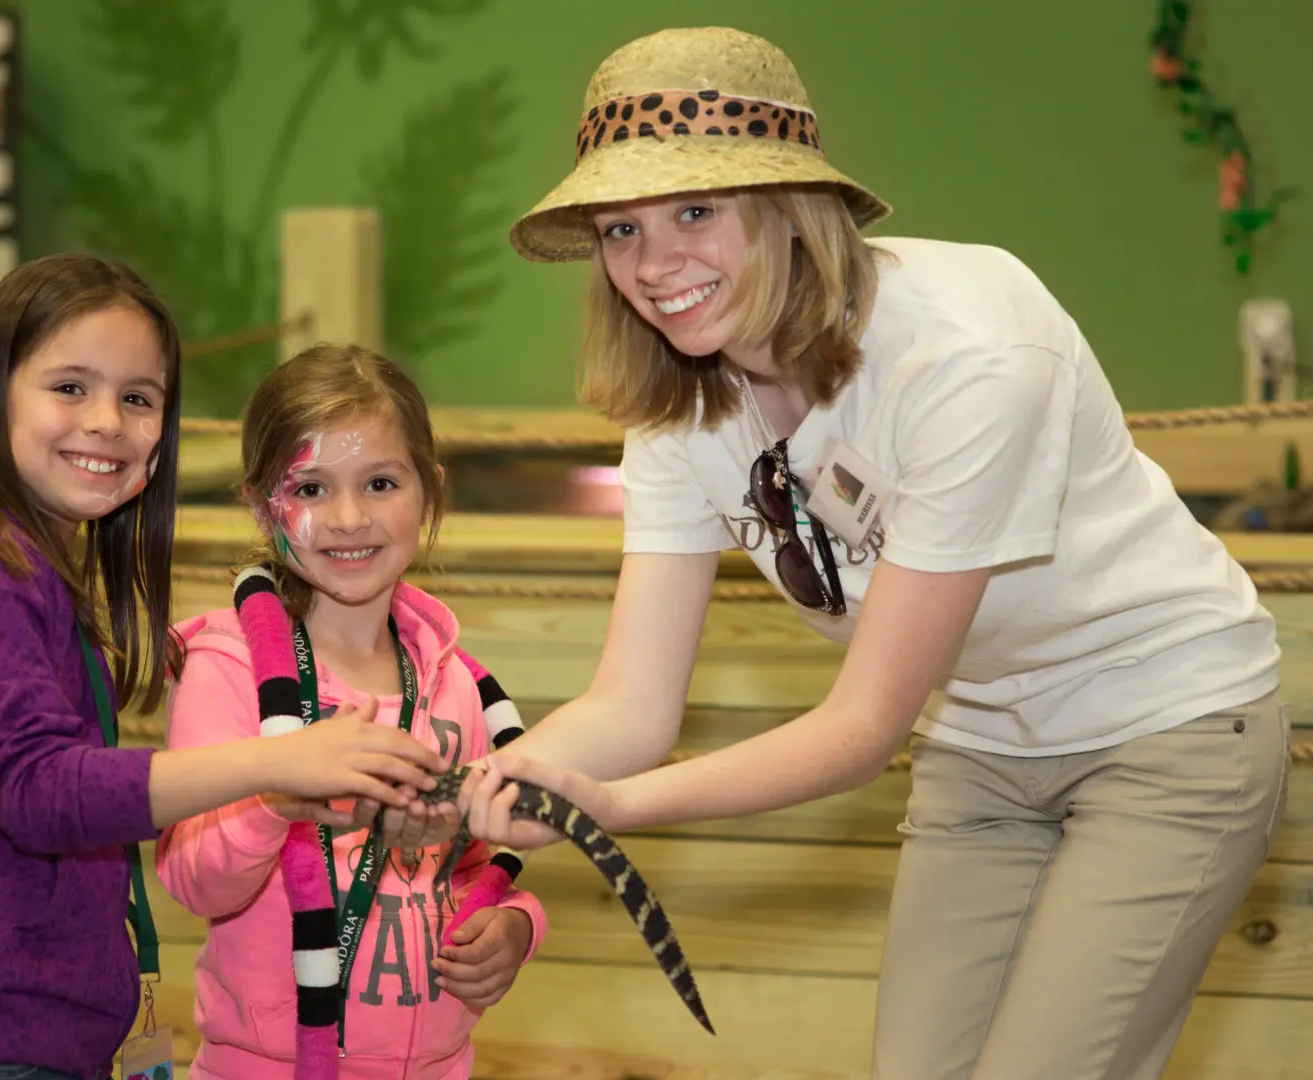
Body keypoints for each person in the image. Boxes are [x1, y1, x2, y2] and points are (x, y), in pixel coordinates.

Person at [461, 25, 1291, 1080]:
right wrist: (506, 778)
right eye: (621, 228)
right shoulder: (678, 407)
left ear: (789, 205)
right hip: (983, 746)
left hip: (1166, 728)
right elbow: (633, 704)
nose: (655, 262)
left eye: (697, 211)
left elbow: (861, 726)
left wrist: (615, 808)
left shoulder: (966, 355)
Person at [0, 255, 444, 1080]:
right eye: (70, 387)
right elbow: (41, 791)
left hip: (28, 1038)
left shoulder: (26, 570)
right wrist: (275, 761)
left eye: (138, 398)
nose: (107, 420)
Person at [155, 344, 546, 1080]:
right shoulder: (227, 666)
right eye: (307, 488)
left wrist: (516, 925)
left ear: (429, 492)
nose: (347, 517)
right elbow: (194, 880)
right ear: (257, 501)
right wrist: (278, 796)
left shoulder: (452, 678)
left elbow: (470, 863)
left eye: (380, 482)